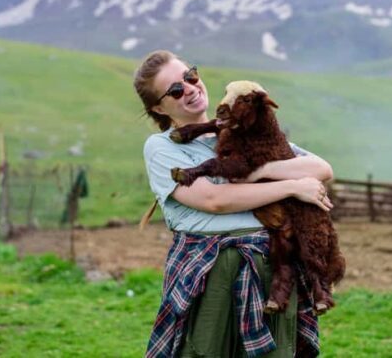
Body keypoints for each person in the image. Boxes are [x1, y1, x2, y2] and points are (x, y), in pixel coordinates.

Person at [133, 50, 334, 357]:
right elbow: (214, 200)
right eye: (175, 90)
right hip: (211, 271)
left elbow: (321, 168)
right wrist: (293, 186)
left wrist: (261, 171)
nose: (190, 88)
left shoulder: (243, 130)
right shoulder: (161, 147)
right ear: (159, 108)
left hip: (270, 266)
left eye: (190, 77)